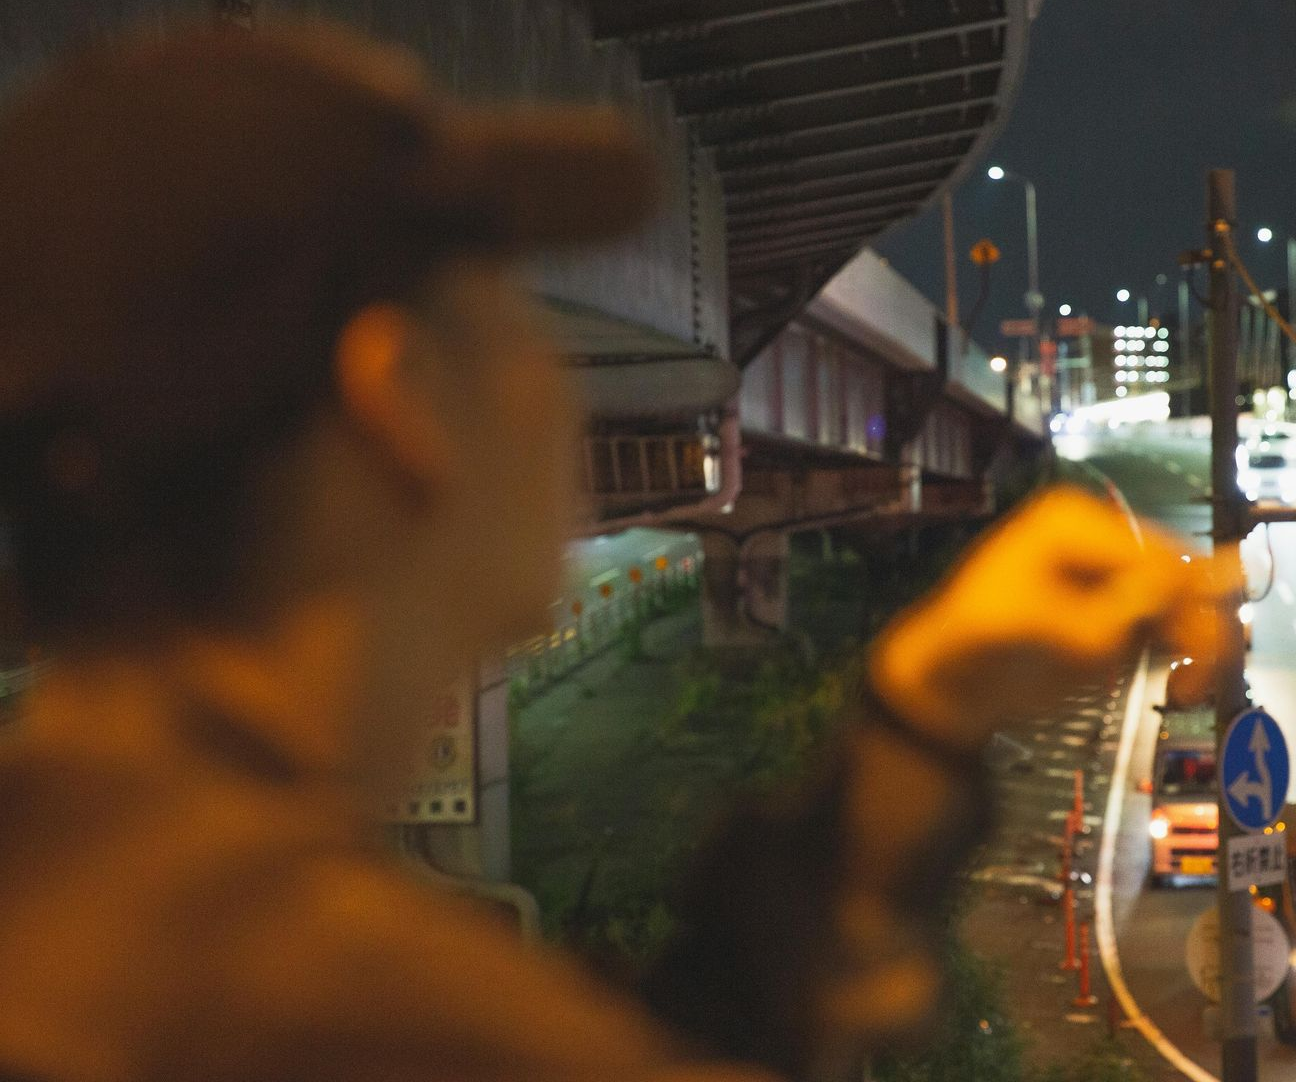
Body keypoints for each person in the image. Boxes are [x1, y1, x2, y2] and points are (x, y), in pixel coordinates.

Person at [0, 21, 1224, 1082]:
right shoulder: (324, 999)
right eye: (514, 314)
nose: (560, 391)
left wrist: (923, 709)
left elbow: (676, 1039)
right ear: (402, 400)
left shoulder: (91, 884)